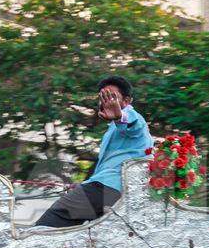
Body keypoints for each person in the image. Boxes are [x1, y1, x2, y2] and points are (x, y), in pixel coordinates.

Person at [35, 75, 152, 227]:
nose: (106, 102)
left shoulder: (133, 118)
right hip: (114, 193)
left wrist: (119, 116)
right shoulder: (113, 129)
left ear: (127, 101)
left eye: (112, 97)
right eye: (103, 97)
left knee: (48, 223)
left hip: (108, 189)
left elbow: (132, 123)